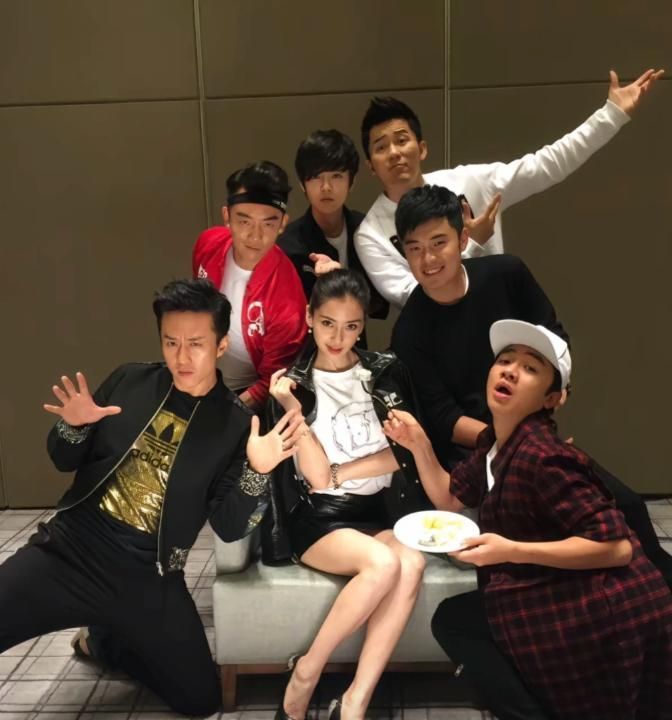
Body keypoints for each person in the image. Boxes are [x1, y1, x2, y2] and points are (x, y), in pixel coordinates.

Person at [0, 279, 303, 716]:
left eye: (196, 344)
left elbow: (229, 526)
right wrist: (74, 427)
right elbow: (62, 458)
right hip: (70, 551)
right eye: (171, 342)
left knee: (200, 700)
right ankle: (109, 626)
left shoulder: (235, 425)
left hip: (149, 574)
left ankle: (106, 641)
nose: (182, 356)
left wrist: (258, 472)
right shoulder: (129, 381)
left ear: (221, 346)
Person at [384, 320, 672, 720]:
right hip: (547, 585)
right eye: (505, 360)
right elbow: (449, 497)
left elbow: (617, 548)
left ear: (552, 398)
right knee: (457, 620)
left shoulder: (543, 457)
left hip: (603, 608)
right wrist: (418, 444)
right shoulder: (494, 443)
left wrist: (511, 550)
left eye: (531, 367)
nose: (510, 371)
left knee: (461, 623)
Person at [390, 184, 672, 586]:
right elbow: (443, 417)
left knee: (624, 503)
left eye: (439, 243)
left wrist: (546, 409)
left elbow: (553, 336)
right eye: (415, 248)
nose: (428, 259)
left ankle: (656, 588)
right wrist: (509, 442)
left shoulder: (506, 274)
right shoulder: (410, 331)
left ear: (463, 238)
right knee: (545, 525)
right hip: (475, 450)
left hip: (532, 433)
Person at [266, 269, 441, 720]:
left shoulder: (384, 373)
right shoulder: (293, 386)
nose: (338, 337)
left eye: (350, 326)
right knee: (383, 564)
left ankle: (354, 701)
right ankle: (307, 671)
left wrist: (343, 469)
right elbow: (317, 479)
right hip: (319, 518)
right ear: (309, 317)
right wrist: (292, 411)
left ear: (362, 326)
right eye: (327, 323)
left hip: (376, 512)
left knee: (411, 563)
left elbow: (403, 453)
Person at [355, 68, 664, 308]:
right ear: (370, 165)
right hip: (436, 342)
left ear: (421, 148)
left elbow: (546, 164)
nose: (394, 153)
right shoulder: (371, 233)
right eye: (381, 147)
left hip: (500, 319)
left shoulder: (469, 183)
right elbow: (411, 297)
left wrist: (610, 116)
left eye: (402, 140)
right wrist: (473, 243)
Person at [193, 160, 307, 408]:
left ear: (283, 224)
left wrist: (228, 411)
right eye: (244, 221)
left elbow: (271, 381)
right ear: (227, 216)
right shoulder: (208, 244)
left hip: (243, 393)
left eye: (268, 223)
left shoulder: (288, 299)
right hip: (197, 372)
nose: (255, 235)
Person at [278, 129, 388, 330]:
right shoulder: (287, 244)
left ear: (351, 182)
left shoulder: (368, 229)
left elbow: (380, 304)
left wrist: (345, 281)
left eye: (336, 176)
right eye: (316, 177)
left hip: (355, 343)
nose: (326, 187)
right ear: (303, 184)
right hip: (307, 345)